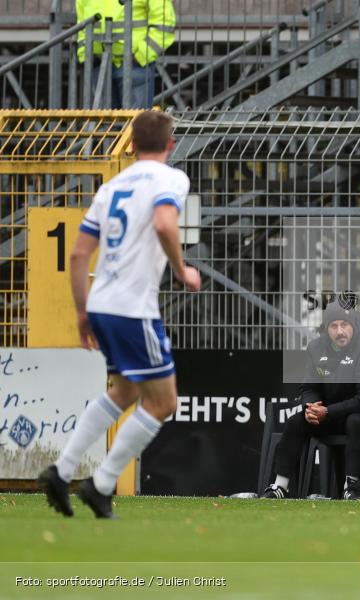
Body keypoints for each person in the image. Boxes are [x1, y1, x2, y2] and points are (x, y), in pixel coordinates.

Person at [38, 110, 200, 519]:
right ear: (170, 144)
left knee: (125, 391)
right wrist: (182, 271)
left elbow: (78, 254)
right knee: (163, 402)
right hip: (132, 308)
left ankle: (62, 471)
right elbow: (164, 224)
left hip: (101, 303)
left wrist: (81, 312)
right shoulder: (171, 179)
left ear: (131, 144)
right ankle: (101, 483)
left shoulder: (111, 188)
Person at [261, 304, 360, 500]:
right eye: (334, 326)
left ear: (353, 326)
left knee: (355, 421)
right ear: (326, 328)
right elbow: (309, 387)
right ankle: (280, 486)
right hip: (328, 414)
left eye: (344, 325)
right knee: (296, 421)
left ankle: (351, 488)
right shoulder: (316, 347)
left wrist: (328, 411)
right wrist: (311, 407)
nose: (340, 331)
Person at [77, 0, 177, 108]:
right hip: (100, 64)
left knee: (135, 118)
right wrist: (85, 56)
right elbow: (82, 25)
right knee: (106, 118)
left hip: (135, 64)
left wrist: (142, 55)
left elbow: (164, 23)